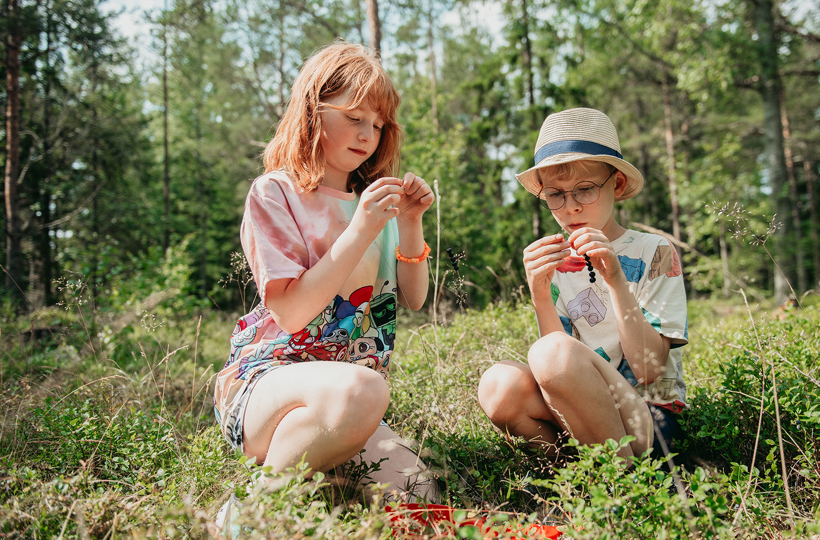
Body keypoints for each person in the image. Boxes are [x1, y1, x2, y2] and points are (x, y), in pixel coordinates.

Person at [212, 41, 438, 525]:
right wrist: (361, 229)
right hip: (267, 385)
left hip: (346, 401)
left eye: (377, 125)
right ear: (313, 110)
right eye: (355, 116)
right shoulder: (275, 192)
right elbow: (291, 312)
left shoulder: (373, 202)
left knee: (421, 491)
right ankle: (248, 518)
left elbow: (415, 297)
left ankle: (314, 463)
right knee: (364, 390)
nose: (367, 135)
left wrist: (412, 220)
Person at [477, 108, 689, 463]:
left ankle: (622, 487)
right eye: (556, 194)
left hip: (651, 419)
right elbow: (556, 372)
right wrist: (540, 294)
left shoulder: (655, 252)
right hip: (584, 414)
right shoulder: (559, 260)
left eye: (585, 190)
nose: (570, 207)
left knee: (550, 353)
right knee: (499, 385)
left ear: (617, 185)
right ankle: (578, 481)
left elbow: (650, 371)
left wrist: (616, 279)